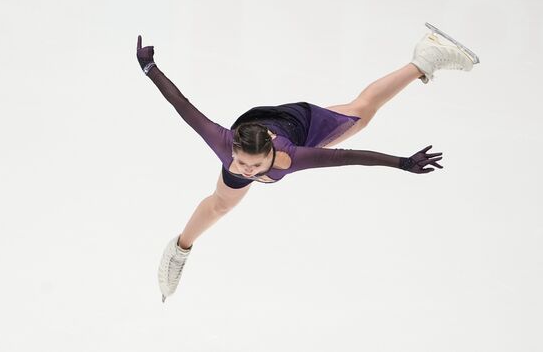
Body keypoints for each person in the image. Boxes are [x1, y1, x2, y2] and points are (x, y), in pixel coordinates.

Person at [136, 23, 479, 302]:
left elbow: (350, 158)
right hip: (255, 126)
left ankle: (426, 57)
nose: (246, 172)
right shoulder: (227, 147)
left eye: (254, 168)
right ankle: (179, 250)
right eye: (242, 164)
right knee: (219, 206)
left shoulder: (296, 157)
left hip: (301, 124)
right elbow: (182, 105)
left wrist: (402, 162)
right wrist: (150, 67)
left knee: (362, 112)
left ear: (270, 153)